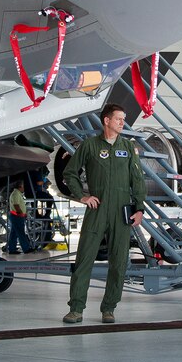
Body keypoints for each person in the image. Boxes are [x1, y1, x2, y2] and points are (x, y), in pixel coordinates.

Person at [61, 103, 147, 324]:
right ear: (106, 121)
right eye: (119, 119)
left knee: (119, 262)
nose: (122, 123)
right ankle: (76, 309)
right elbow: (70, 172)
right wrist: (82, 196)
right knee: (84, 260)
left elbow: (137, 180)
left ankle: (109, 308)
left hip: (121, 212)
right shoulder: (89, 146)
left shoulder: (128, 147)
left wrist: (139, 208)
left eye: (123, 119)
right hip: (96, 210)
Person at [6, 181, 33, 255]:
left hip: (16, 216)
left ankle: (12, 249)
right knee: (21, 233)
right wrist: (21, 213)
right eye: (23, 186)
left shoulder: (17, 193)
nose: (24, 188)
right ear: (20, 186)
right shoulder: (16, 194)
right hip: (17, 216)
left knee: (14, 233)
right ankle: (26, 248)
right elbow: (16, 205)